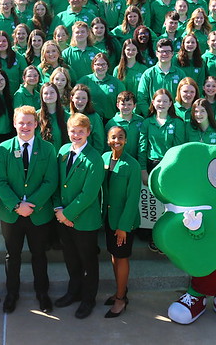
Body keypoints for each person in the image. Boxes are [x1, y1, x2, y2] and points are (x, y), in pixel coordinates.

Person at [0, 106, 58, 314]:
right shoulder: (3, 149)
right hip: (12, 214)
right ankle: (12, 294)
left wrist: (32, 205)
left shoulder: (47, 149)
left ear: (36, 124)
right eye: (21, 122)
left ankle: (42, 293)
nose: (25, 126)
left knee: (39, 254)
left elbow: (50, 181)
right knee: (13, 255)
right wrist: (16, 205)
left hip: (38, 214)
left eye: (30, 123)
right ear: (14, 124)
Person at [53, 113, 106, 319]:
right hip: (63, 217)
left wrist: (66, 214)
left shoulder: (94, 158)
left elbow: (89, 195)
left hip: (83, 220)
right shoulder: (63, 151)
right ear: (68, 131)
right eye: (73, 131)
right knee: (71, 258)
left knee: (88, 262)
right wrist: (59, 209)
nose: (76, 135)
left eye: (80, 132)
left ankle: (88, 299)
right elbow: (58, 182)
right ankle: (73, 291)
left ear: (88, 133)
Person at [101, 125, 141, 319]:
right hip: (108, 218)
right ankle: (121, 291)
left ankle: (120, 299)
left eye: (121, 137)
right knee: (114, 256)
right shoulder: (103, 159)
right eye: (113, 137)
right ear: (108, 140)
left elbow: (133, 198)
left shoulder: (131, 164)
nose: (117, 140)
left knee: (122, 257)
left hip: (124, 222)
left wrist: (124, 227)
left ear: (126, 140)